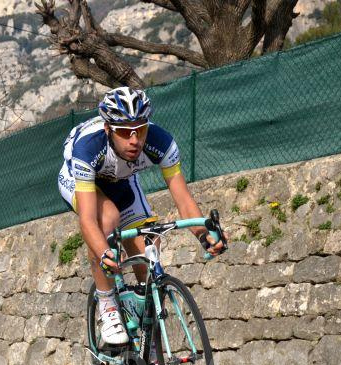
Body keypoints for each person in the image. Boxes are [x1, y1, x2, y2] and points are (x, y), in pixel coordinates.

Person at [57, 86, 226, 348]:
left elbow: (183, 199)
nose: (135, 140)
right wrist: (104, 253)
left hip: (123, 181)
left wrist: (204, 234)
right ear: (108, 130)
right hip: (79, 181)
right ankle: (108, 305)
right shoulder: (88, 148)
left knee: (149, 250)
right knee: (107, 219)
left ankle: (156, 358)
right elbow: (88, 220)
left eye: (141, 129)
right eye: (125, 132)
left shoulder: (162, 142)